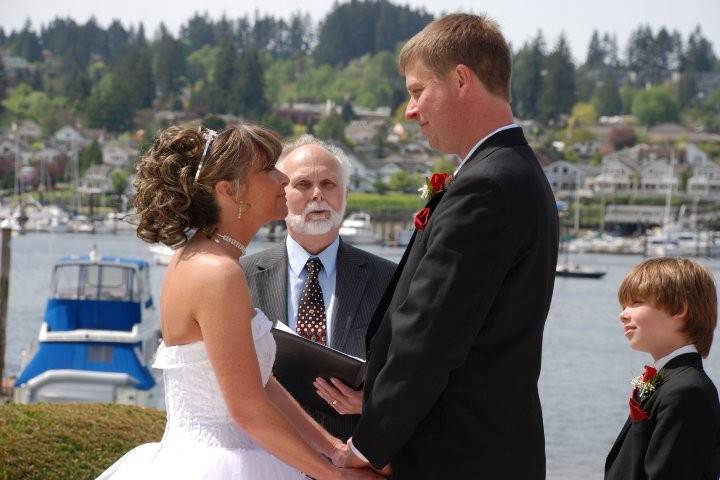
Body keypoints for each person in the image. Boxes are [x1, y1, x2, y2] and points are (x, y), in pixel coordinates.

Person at [337, 13, 559, 479]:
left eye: (418, 91)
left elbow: (431, 336)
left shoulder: (488, 188)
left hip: (459, 458)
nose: (410, 110)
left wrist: (369, 444)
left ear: (461, 79)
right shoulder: (512, 172)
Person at [97, 125, 383, 480]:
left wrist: (333, 449)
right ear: (228, 190)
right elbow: (248, 410)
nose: (283, 179)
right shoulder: (218, 273)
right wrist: (335, 477)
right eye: (267, 170)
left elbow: (261, 383)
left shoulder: (200, 258)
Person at [240, 135, 396, 441]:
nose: (317, 195)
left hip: (351, 458)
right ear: (280, 194)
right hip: (264, 454)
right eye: (302, 185)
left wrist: (374, 403)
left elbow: (409, 372)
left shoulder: (388, 279)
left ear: (345, 194)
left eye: (328, 184)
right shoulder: (240, 276)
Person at [605, 257, 720, 480]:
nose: (623, 314)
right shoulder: (669, 381)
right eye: (623, 306)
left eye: (636, 302)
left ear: (679, 309)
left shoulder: (688, 391)